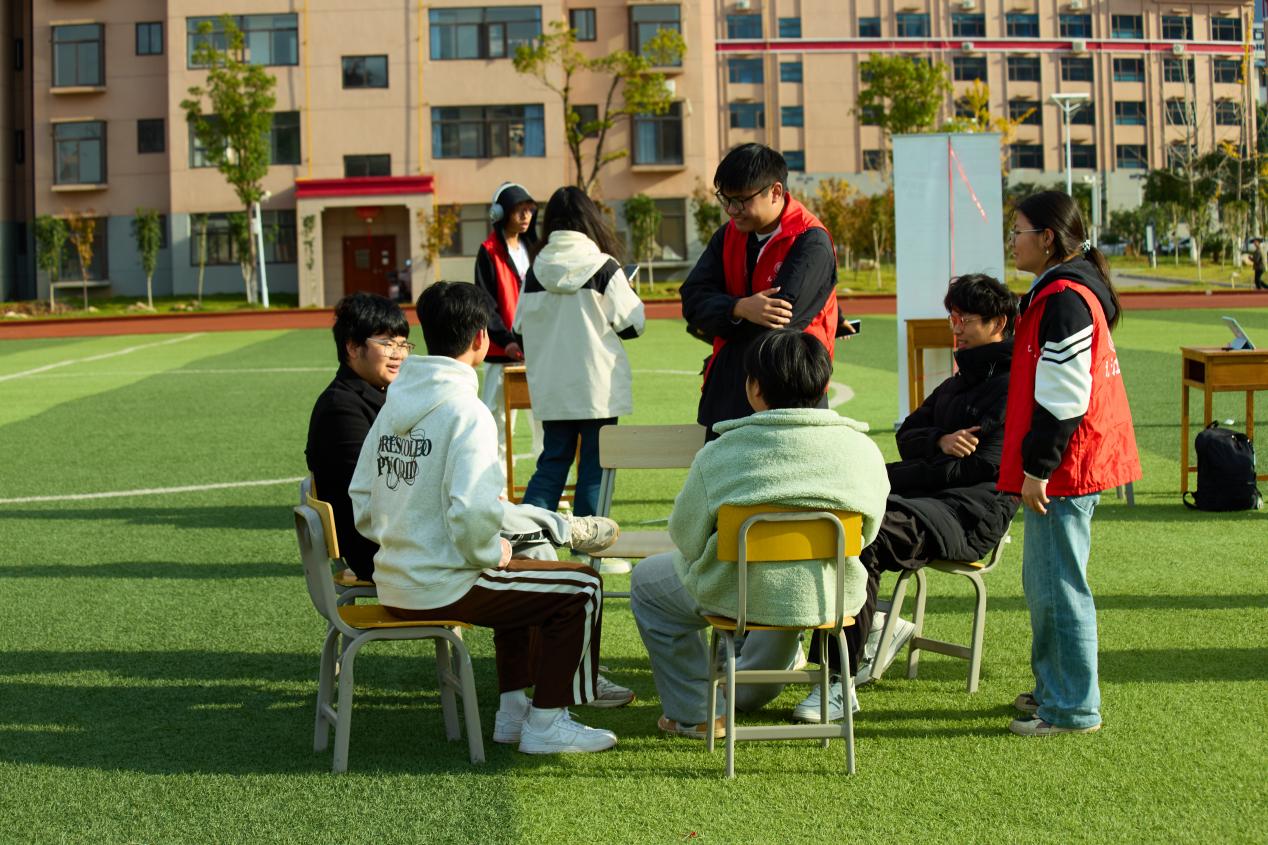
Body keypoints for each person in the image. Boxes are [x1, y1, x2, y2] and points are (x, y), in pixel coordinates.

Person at [349, 282, 629, 753]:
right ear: (481, 338)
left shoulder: (394, 404)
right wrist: (488, 551)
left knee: (527, 573)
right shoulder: (468, 412)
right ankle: (547, 722)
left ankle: (514, 711)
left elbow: (361, 497)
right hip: (439, 584)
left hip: (395, 578)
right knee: (583, 586)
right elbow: (471, 513)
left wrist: (408, 538)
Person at [629, 330, 889, 738]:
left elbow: (685, 536)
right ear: (823, 384)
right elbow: (868, 533)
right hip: (826, 594)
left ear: (753, 387)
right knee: (783, 589)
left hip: (741, 594)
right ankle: (750, 687)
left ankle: (697, 713)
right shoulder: (863, 450)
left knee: (647, 583)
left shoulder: (721, 452)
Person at [793, 274, 1021, 722]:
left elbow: (980, 467)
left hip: (971, 514)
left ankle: (839, 683)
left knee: (865, 538)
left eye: (966, 319)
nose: (956, 327)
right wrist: (939, 441)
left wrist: (904, 469)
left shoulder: (1014, 386)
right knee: (836, 519)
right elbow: (908, 434)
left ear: (998, 323)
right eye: (952, 316)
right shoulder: (959, 382)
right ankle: (874, 626)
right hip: (928, 500)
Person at [1001, 190, 1141, 737]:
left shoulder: (1064, 297)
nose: (1012, 240)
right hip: (1069, 461)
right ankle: (1055, 690)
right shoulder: (1066, 289)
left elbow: (1064, 397)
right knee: (1048, 584)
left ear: (1047, 238)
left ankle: (1071, 708)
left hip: (1066, 465)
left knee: (1059, 587)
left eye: (1018, 231)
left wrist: (1038, 467)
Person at [680, 143, 840, 438]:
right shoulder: (727, 235)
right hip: (727, 390)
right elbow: (691, 300)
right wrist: (739, 308)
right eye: (725, 199)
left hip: (790, 394)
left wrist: (720, 317)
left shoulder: (811, 241)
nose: (731, 210)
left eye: (741, 200)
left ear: (776, 191)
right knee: (720, 467)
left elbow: (780, 323)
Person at [514, 186, 645, 518]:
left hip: (553, 388)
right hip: (597, 388)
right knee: (595, 467)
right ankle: (591, 542)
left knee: (551, 464)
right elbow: (634, 325)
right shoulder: (605, 267)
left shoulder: (534, 271)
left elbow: (519, 328)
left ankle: (527, 536)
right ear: (590, 219)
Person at [305, 293, 412, 581]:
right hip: (378, 549)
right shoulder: (340, 408)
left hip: (397, 537)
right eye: (387, 343)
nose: (399, 354)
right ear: (353, 347)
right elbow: (374, 490)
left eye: (403, 344)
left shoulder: (385, 395)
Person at [474, 182, 541, 471]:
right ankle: (495, 487)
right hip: (502, 354)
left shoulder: (536, 249)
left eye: (529, 210)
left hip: (537, 353)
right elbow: (485, 303)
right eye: (519, 210)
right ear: (499, 213)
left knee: (545, 426)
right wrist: (506, 339)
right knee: (497, 425)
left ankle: (552, 486)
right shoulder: (488, 251)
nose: (526, 216)